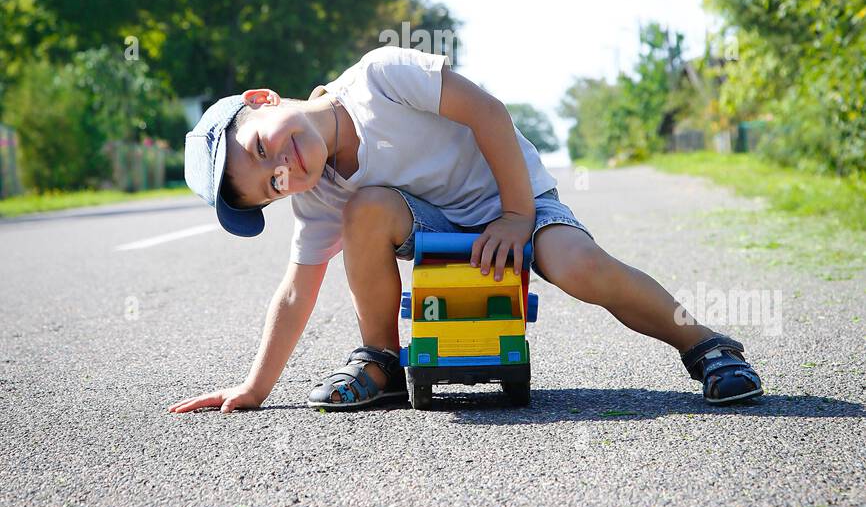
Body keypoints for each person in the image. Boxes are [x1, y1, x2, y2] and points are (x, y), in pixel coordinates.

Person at [171, 46, 763, 415]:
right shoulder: (320, 190)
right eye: (272, 184)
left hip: (514, 199)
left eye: (260, 145)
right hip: (432, 226)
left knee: (579, 267)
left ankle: (704, 344)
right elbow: (297, 290)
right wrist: (253, 388)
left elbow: (489, 113)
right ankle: (381, 361)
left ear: (263, 100)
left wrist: (516, 216)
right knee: (366, 207)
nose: (284, 169)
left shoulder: (380, 78)